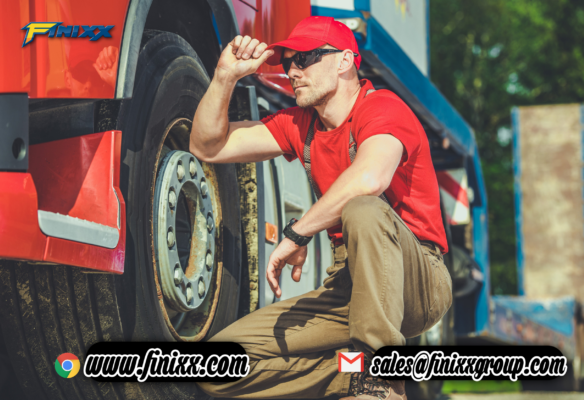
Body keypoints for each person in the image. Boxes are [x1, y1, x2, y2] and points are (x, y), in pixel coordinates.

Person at [191, 16, 452, 400]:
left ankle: (379, 378)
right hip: (346, 284)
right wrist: (224, 77)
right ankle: (353, 373)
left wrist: (298, 232)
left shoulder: (382, 107)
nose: (293, 71)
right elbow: (207, 147)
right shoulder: (300, 125)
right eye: (287, 63)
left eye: (306, 58)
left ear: (346, 60)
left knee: (363, 209)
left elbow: (369, 180)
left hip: (415, 277)